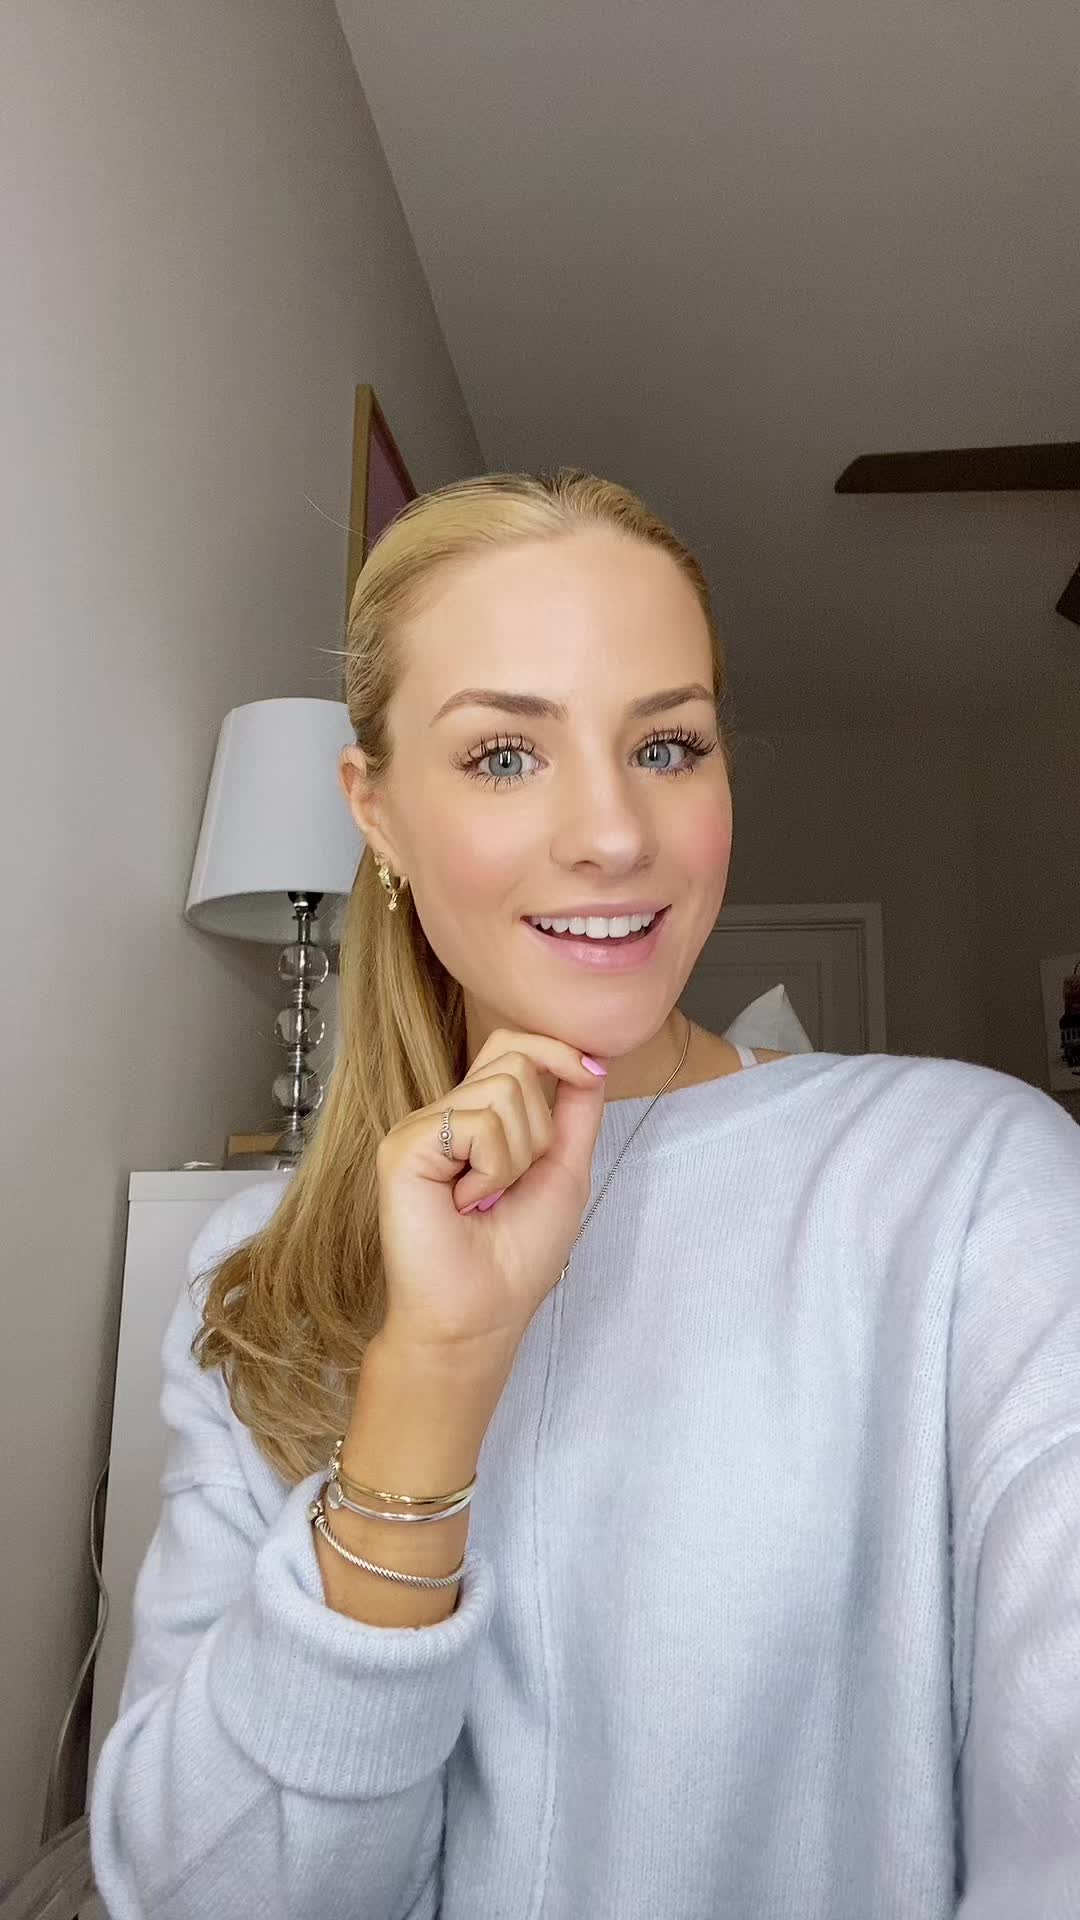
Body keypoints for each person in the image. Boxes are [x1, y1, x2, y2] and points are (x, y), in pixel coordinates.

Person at [89, 470, 1080, 1919]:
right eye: (505, 755)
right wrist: (431, 1381)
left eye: (667, 745)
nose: (614, 834)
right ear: (375, 810)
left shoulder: (970, 1180)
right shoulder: (257, 1276)